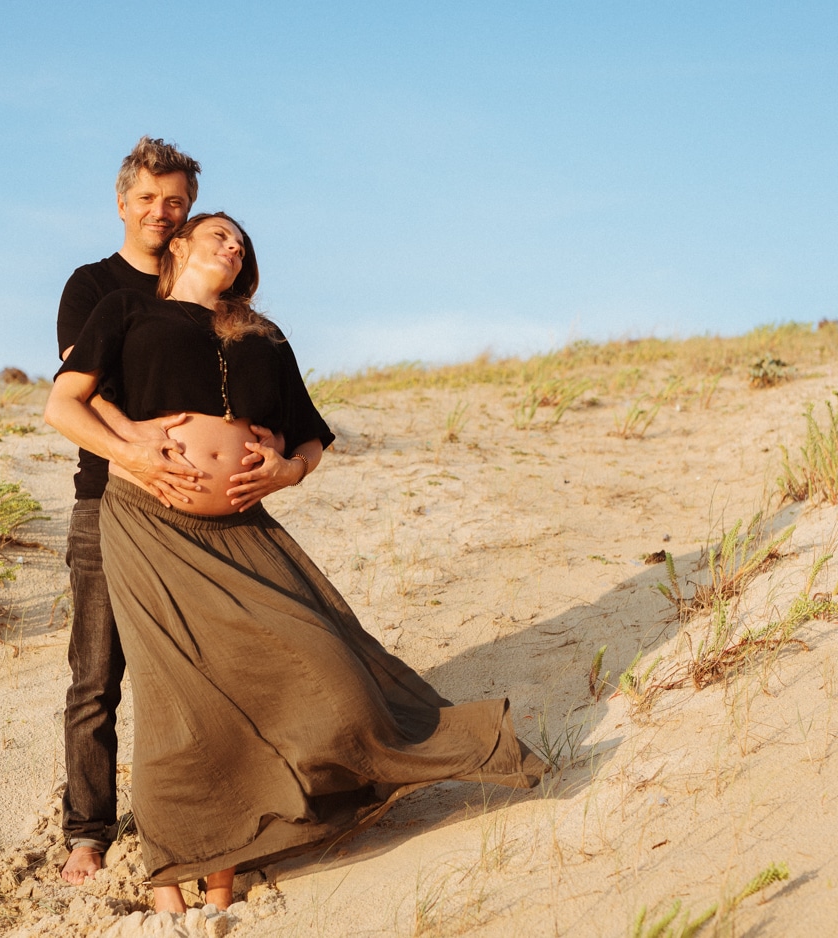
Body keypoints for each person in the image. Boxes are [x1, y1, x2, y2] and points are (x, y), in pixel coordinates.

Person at [44, 212, 544, 913]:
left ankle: (239, 849)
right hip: (149, 521)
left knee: (331, 671)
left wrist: (284, 473)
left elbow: (310, 440)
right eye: (217, 233)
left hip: (243, 528)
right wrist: (133, 454)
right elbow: (64, 404)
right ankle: (176, 878)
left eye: (240, 241)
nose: (232, 244)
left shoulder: (263, 335)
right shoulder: (128, 310)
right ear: (179, 244)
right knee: (176, 697)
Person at [55, 136, 217, 885]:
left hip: (197, 514)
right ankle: (87, 833)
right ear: (122, 203)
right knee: (96, 679)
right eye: (148, 198)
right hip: (106, 503)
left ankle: (195, 820)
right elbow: (84, 390)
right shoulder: (93, 286)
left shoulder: (205, 288)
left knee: (191, 673)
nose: (162, 211)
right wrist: (139, 446)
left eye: (176, 200)